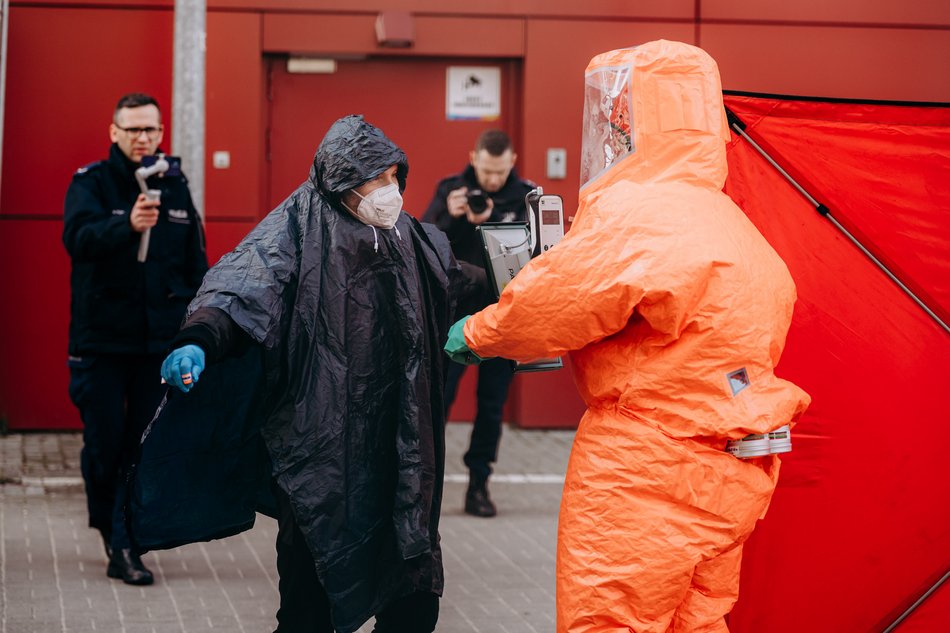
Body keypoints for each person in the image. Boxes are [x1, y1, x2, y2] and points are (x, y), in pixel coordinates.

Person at [445, 40, 811, 632]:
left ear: (635, 120)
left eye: (618, 118)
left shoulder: (636, 213)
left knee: (610, 620)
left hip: (645, 466)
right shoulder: (730, 220)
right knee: (697, 621)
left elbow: (552, 304)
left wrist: (477, 333)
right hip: (734, 464)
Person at [155, 115, 451, 633]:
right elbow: (241, 290)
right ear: (340, 181)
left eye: (392, 177)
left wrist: (515, 283)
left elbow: (458, 277)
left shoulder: (407, 235)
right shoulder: (294, 230)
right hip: (319, 454)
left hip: (403, 447)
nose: (389, 191)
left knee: (413, 594)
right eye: (374, 179)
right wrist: (200, 338)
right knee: (308, 606)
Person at [62, 92, 208, 586]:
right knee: (104, 443)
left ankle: (124, 540)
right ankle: (111, 531)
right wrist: (124, 225)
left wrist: (194, 328)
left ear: (161, 133)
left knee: (142, 445)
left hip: (156, 344)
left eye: (151, 130)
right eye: (133, 130)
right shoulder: (91, 183)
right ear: (114, 132)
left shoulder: (176, 184)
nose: (143, 138)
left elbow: (195, 262)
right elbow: (76, 240)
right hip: (101, 342)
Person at [421, 129, 535, 517]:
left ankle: (479, 486)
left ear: (512, 161)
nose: (491, 181)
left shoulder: (525, 197)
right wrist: (451, 217)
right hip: (454, 315)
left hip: (503, 315)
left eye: (499, 173)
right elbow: (423, 239)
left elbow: (535, 252)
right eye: (486, 171)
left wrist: (493, 220)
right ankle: (426, 485)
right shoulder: (450, 189)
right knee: (439, 400)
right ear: (474, 158)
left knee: (491, 406)